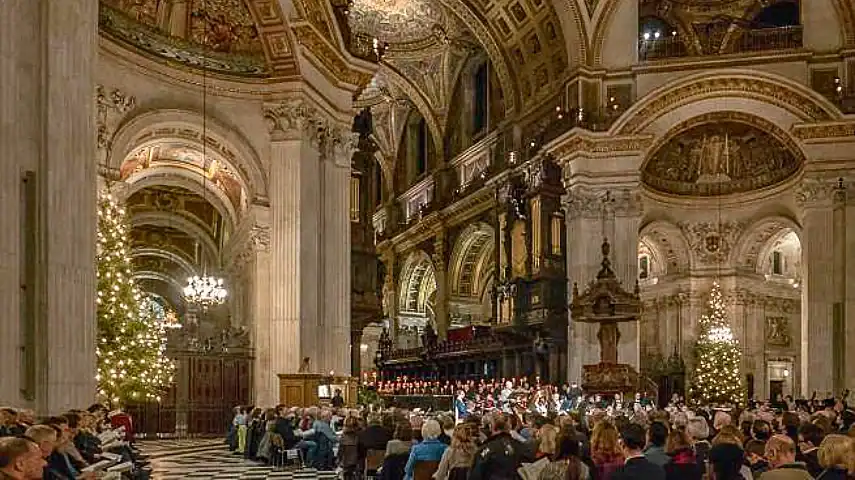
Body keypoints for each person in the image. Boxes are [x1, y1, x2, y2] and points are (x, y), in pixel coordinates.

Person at [469, 413, 534, 480]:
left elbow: (476, 474)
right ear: (509, 427)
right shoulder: (522, 447)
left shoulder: (486, 449)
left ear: (491, 427)